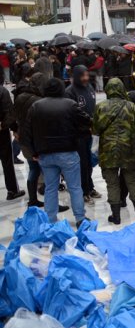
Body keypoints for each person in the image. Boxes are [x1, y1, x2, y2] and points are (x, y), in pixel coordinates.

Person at [22, 78, 90, 226]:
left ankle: (51, 220)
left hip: (45, 154)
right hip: (68, 152)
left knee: (50, 188)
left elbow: (26, 132)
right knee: (75, 187)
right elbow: (87, 122)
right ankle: (80, 218)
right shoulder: (70, 104)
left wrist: (33, 152)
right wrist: (78, 136)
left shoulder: (36, 106)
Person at [93, 79, 135, 224]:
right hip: (128, 150)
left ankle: (116, 217)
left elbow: (95, 129)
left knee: (112, 184)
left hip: (108, 152)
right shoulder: (130, 106)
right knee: (133, 182)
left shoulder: (100, 107)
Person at [65, 65, 99, 203]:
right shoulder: (70, 92)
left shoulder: (89, 87)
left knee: (90, 162)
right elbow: (71, 115)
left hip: (90, 132)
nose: (85, 78)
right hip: (78, 134)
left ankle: (90, 187)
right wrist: (85, 126)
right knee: (81, 164)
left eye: (86, 75)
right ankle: (83, 191)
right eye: (82, 76)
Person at [14, 73, 48, 206]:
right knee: (47, 170)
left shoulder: (20, 96)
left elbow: (13, 116)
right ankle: (50, 201)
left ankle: (32, 199)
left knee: (33, 169)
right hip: (37, 140)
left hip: (23, 137)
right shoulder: (39, 101)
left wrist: (15, 130)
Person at [0, 84, 24, 200]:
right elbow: (9, 112)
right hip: (1, 131)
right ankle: (12, 190)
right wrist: (14, 128)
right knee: (7, 161)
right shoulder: (2, 91)